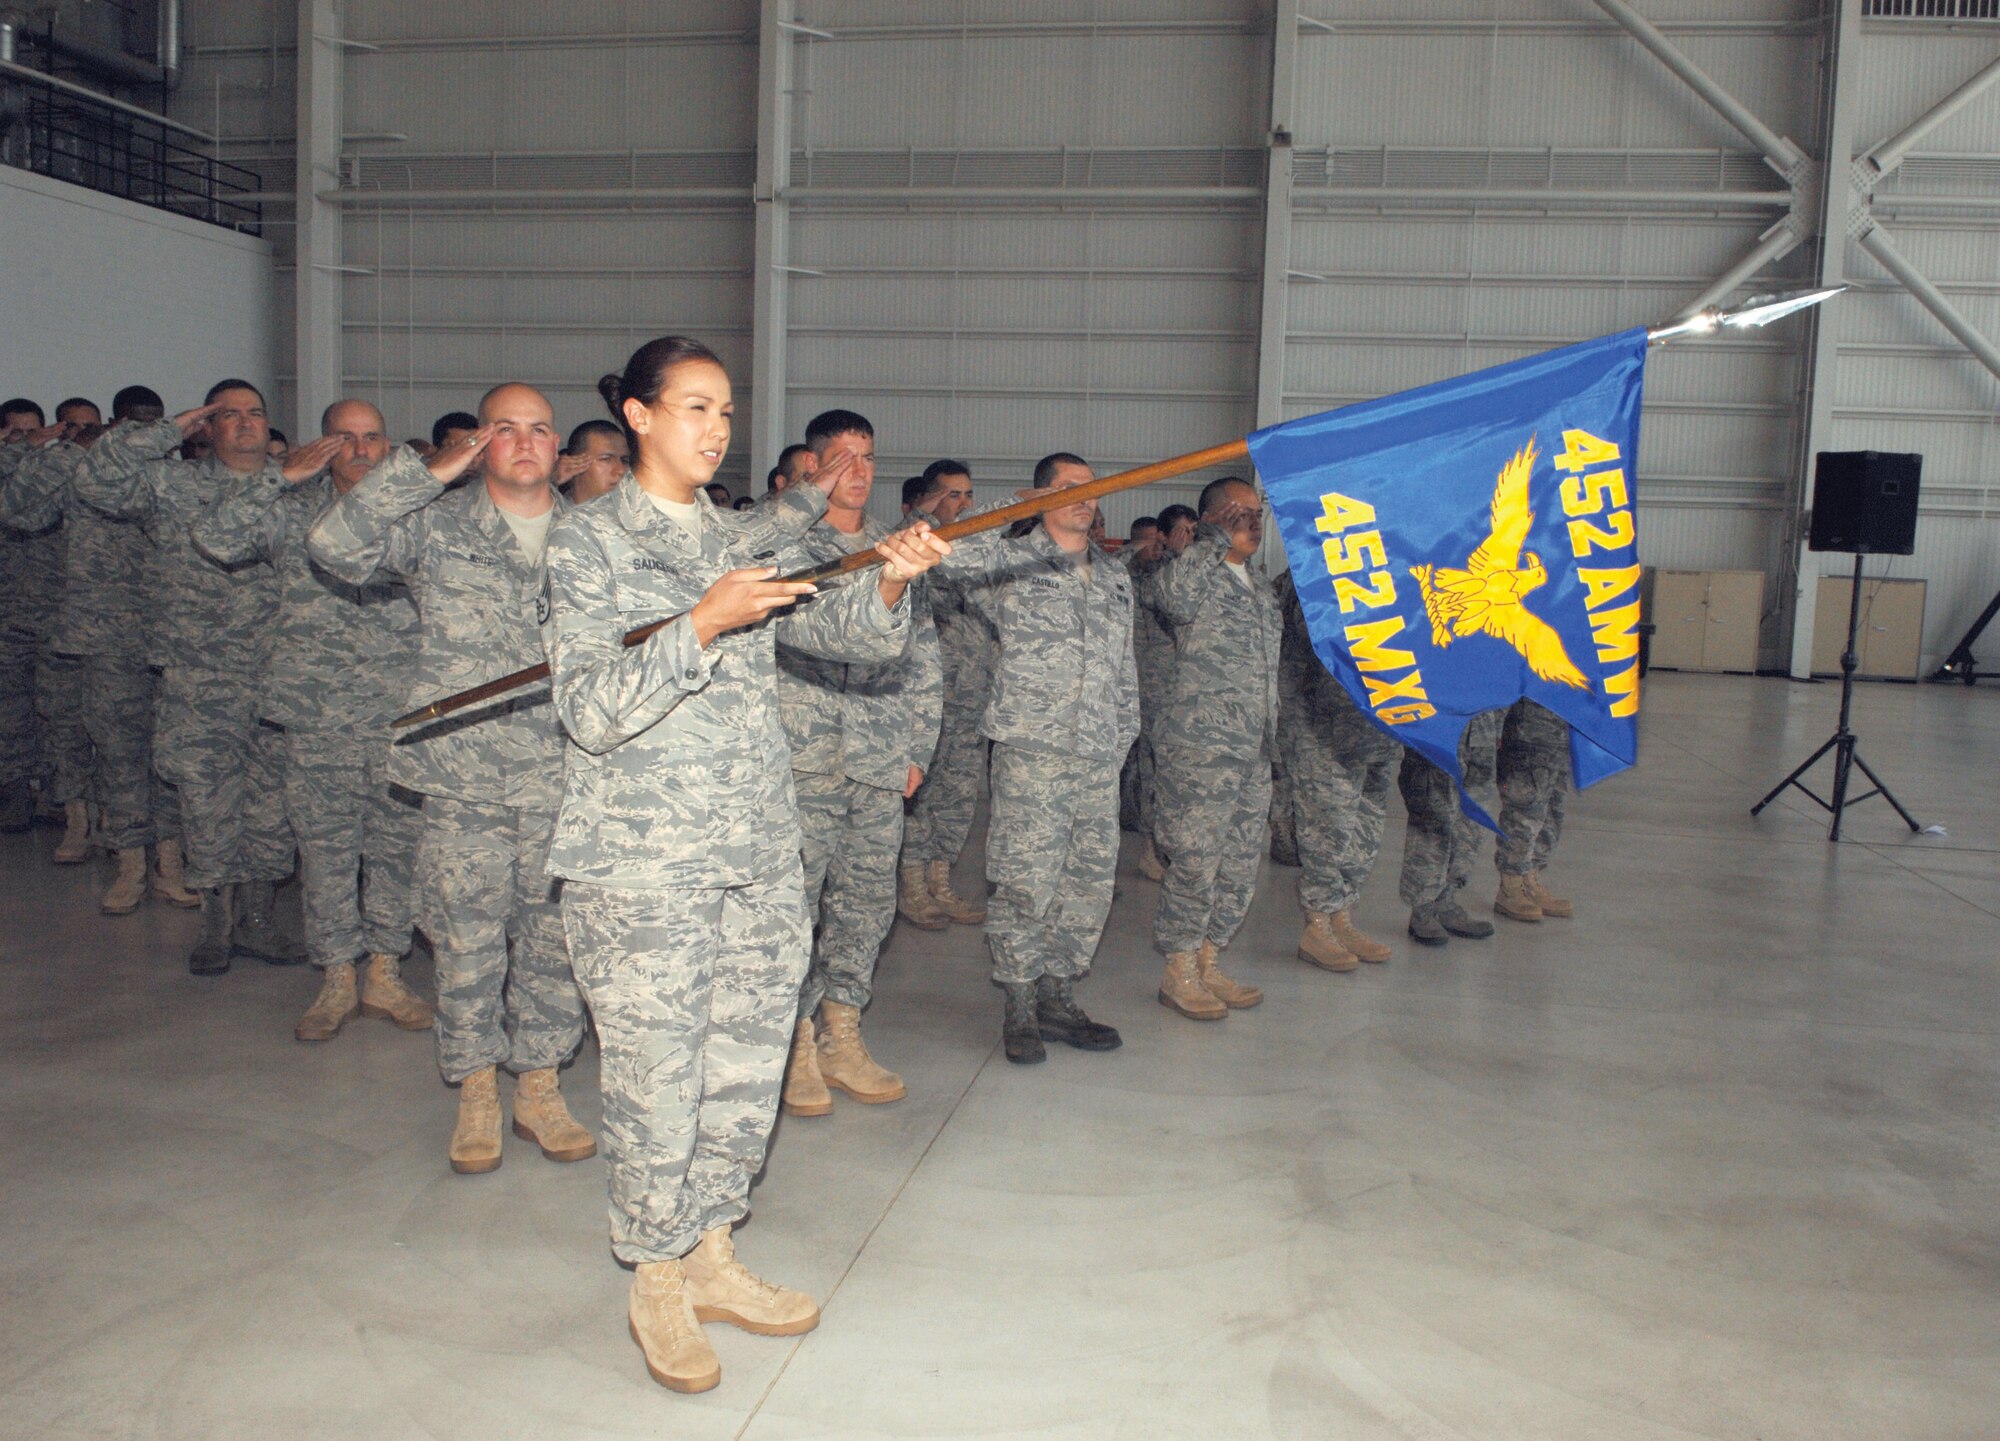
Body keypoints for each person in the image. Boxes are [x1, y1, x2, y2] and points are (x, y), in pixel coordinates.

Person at [543, 336, 948, 1394]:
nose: (714, 427)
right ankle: (654, 1274)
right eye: (691, 407)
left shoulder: (741, 533)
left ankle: (711, 1246)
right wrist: (700, 620)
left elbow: (852, 640)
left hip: (759, 851)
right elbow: (588, 707)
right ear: (636, 415)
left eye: (723, 410)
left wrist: (894, 585)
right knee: (654, 1076)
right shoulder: (587, 542)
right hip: (643, 864)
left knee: (742, 1064)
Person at [308, 382, 593, 1175]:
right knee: (466, 941)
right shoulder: (434, 527)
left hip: (563, 772)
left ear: (556, 444)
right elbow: (334, 546)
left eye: (540, 428)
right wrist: (424, 474)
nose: (526, 442)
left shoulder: (591, 535)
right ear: (478, 441)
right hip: (465, 774)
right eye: (506, 429)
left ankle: (538, 1084)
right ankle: (474, 1087)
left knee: (552, 941)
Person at [191, 399, 431, 1042]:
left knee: (394, 849)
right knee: (324, 851)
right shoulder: (289, 511)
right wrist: (280, 476)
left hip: (401, 713)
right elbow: (213, 538)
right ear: (320, 445)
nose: (359, 449)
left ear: (388, 445)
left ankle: (384, 969)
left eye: (371, 437)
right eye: (343, 437)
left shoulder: (422, 516)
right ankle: (336, 977)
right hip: (317, 714)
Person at [73, 381, 306, 972]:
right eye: (230, 415)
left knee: (269, 803)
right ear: (207, 426)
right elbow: (95, 482)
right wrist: (164, 431)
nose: (247, 424)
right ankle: (215, 924)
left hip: (279, 670)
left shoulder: (301, 484)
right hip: (199, 671)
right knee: (206, 800)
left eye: (256, 413)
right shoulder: (173, 483)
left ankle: (257, 919)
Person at [929, 452, 1137, 1065]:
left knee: (1088, 882)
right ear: (1040, 495)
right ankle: (1018, 1002)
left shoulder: (1115, 575)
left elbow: (1125, 669)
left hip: (1100, 755)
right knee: (1025, 878)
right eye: (1067, 488)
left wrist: (1125, 734)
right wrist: (1014, 510)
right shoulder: (1008, 563)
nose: (1084, 498)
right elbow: (947, 549)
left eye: (1092, 489)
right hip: (1033, 751)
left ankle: (1059, 995)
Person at [775, 409, 942, 1118]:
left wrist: (918, 749)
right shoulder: (783, 544)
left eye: (868, 456)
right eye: (841, 456)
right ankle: (791, 1045)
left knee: (867, 903)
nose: (857, 469)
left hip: (877, 755)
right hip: (800, 758)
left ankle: (842, 1029)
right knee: (793, 907)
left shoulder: (894, 546)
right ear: (811, 468)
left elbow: (925, 653)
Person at [0, 389, 195, 904]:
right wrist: (60, 448)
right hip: (104, 635)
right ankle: (129, 863)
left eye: (150, 424)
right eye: (130, 424)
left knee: (168, 753)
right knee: (119, 752)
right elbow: (17, 510)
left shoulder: (177, 474)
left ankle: (169, 862)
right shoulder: (82, 468)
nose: (138, 433)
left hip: (169, 634)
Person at [1145, 477, 1278, 1020]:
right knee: (1196, 863)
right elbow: (1171, 600)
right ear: (1210, 519)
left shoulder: (1263, 589)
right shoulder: (1193, 576)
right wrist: (1210, 542)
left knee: (1241, 863)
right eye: (1236, 512)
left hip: (1254, 751)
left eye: (1256, 511)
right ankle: (1179, 968)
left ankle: (1209, 957)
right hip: (1200, 748)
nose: (1251, 521)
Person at [1274, 568, 1398, 972]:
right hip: (1324, 728)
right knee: (1327, 832)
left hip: (1380, 728)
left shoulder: (1389, 571)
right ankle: (1317, 926)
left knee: (1364, 831)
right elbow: (1322, 638)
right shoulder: (1308, 575)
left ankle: (1342, 916)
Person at [898, 457, 991, 928]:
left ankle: (941, 880)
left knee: (958, 794)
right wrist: (928, 518)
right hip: (926, 699)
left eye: (968, 494)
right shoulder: (912, 545)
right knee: (923, 792)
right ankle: (913, 886)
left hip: (971, 697)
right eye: (953, 494)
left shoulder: (976, 550)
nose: (964, 503)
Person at [0, 398, 59, 835]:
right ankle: (14, 792)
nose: (30, 441)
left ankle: (60, 797)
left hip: (55, 610)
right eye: (17, 434)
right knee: (10, 711)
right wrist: (21, 452)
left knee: (58, 709)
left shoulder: (56, 471)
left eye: (35, 432)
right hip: (7, 613)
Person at [1398, 714, 1504, 945]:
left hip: (1482, 730)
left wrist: (1498, 725)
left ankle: (1446, 899)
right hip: (1438, 727)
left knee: (1472, 819)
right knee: (1434, 816)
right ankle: (1423, 908)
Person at [1491, 698, 1575, 922]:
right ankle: (1511, 885)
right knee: (1524, 813)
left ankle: (1531, 879)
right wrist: (1496, 728)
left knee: (1552, 811)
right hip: (1525, 733)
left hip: (1561, 729)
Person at [557, 418, 630, 505]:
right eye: (606, 459)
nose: (620, 470)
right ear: (573, 464)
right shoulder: (551, 515)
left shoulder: (639, 514)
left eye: (625, 460)